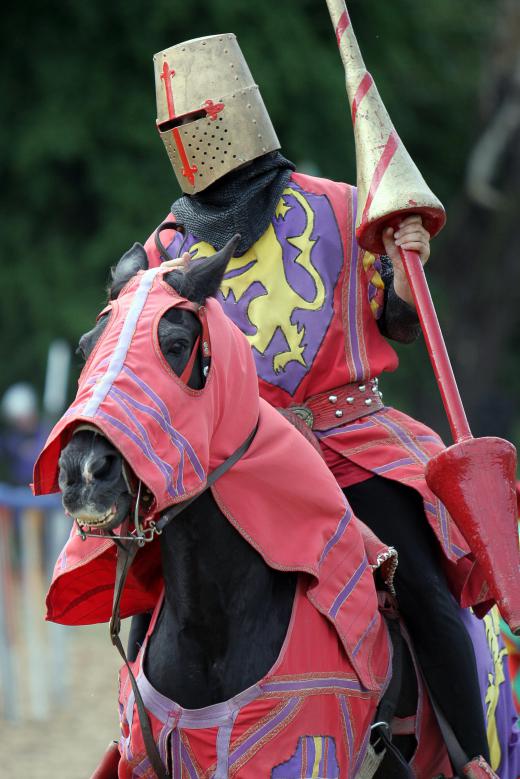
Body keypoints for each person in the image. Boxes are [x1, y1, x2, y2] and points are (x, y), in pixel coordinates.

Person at [141, 34, 495, 771]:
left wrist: (404, 267)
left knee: (425, 589)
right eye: (173, 129)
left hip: (349, 442)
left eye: (197, 119)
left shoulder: (341, 207)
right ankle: (140, 743)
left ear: (233, 113)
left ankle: (470, 759)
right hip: (235, 463)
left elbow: (398, 320)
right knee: (153, 597)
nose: (189, 140)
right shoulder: (165, 250)